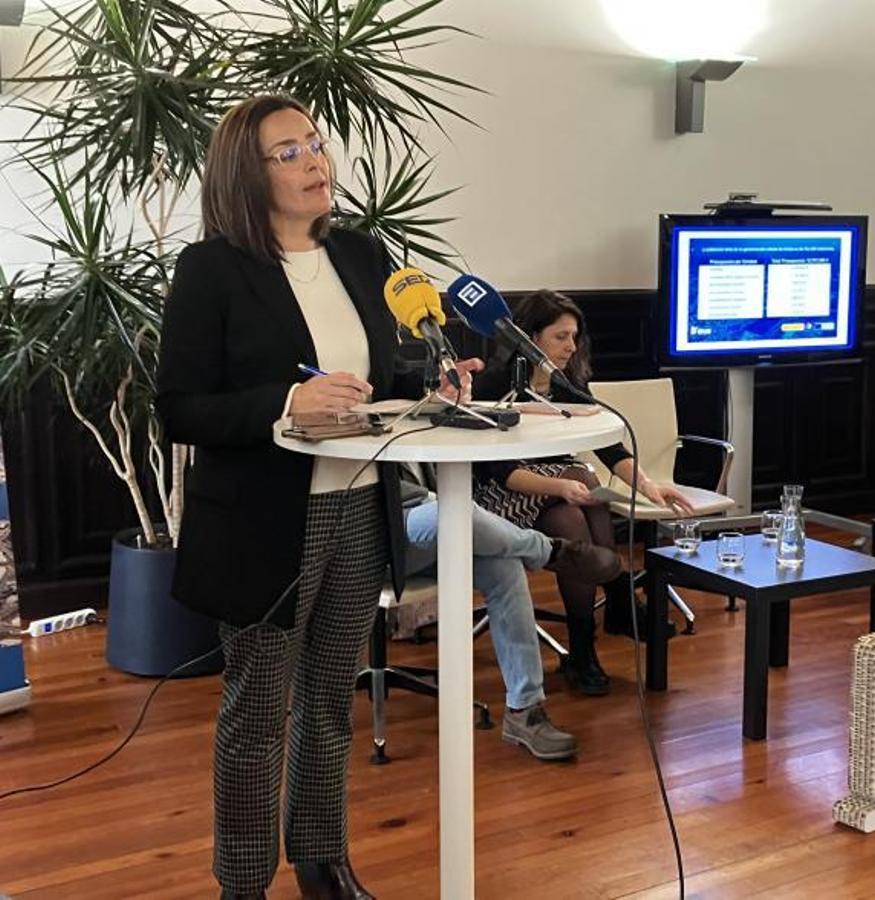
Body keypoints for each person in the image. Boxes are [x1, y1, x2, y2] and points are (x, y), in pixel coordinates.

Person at [156, 96, 616, 900]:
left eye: (317, 145)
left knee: (331, 697)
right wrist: (283, 405)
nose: (314, 161)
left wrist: (434, 382)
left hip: (360, 505)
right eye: (289, 150)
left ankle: (324, 864)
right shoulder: (211, 270)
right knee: (258, 714)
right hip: (264, 521)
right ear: (245, 172)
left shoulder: (364, 257)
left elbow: (386, 380)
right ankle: (243, 883)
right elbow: (179, 407)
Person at [472, 290, 695, 695]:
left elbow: (610, 447)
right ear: (530, 337)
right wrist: (562, 485)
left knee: (575, 511)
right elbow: (496, 471)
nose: (570, 347)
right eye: (560, 337)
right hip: (499, 495)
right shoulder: (493, 383)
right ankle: (616, 600)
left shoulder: (567, 383)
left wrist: (648, 485)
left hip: (557, 496)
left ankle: (583, 649)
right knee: (579, 478)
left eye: (574, 337)